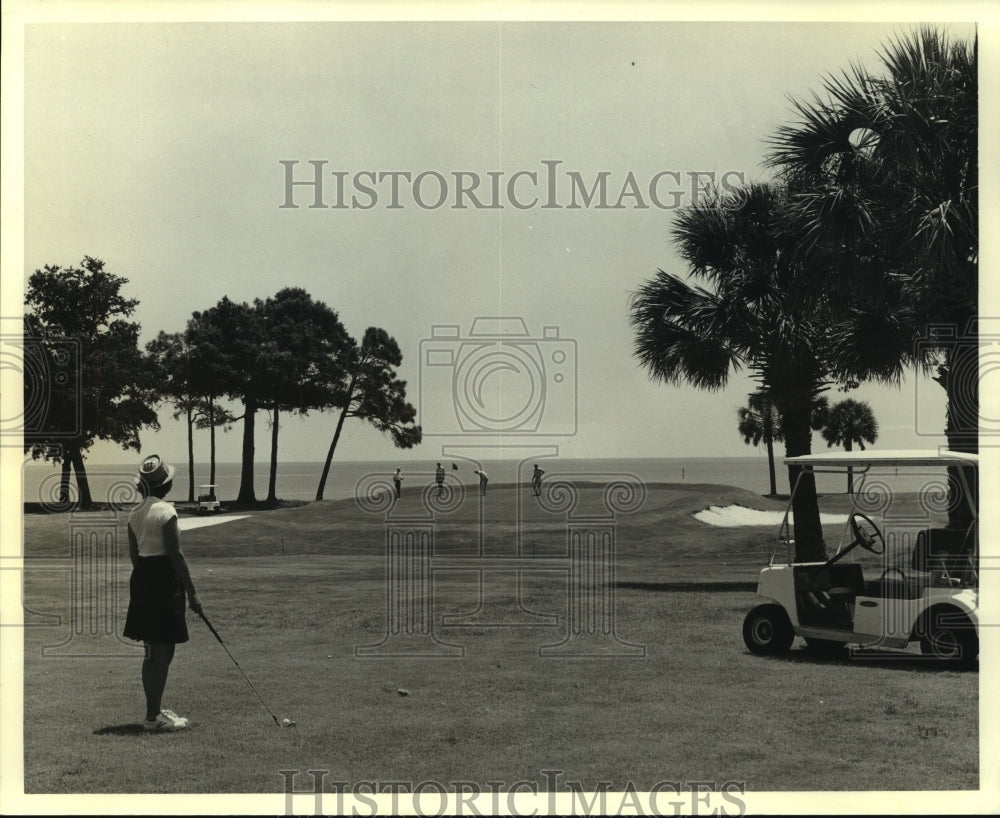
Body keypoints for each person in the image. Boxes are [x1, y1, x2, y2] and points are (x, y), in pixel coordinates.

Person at [123, 455, 202, 732]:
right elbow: (175, 554)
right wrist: (192, 592)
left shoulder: (134, 514)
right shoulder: (167, 512)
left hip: (143, 578)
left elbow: (135, 557)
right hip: (164, 581)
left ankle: (152, 713)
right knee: (163, 653)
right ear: (164, 487)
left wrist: (147, 581)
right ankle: (152, 718)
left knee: (150, 653)